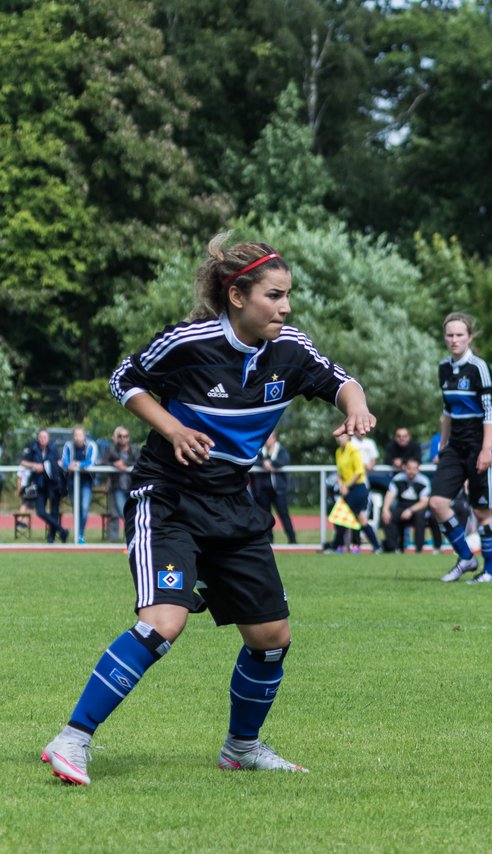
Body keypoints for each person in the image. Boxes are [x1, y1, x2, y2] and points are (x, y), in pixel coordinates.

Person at [41, 232, 374, 786]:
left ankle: (241, 748)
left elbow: (341, 381)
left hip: (232, 504)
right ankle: (71, 740)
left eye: (288, 295)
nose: (285, 306)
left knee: (271, 639)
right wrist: (171, 427)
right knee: (162, 624)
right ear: (238, 296)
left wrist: (357, 406)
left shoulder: (289, 348)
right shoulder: (189, 342)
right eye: (274, 295)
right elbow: (124, 379)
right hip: (168, 498)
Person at [431, 312, 492, 583]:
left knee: (482, 511)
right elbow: (446, 411)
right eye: (449, 335)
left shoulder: (479, 368)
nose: (454, 340)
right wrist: (442, 444)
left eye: (459, 335)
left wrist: (486, 449)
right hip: (455, 447)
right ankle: (466, 557)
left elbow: (489, 412)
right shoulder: (443, 368)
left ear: (469, 337)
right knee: (437, 503)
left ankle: (490, 572)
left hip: (478, 445)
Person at [21, 429, 69, 543]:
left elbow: (59, 463)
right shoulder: (33, 449)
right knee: (40, 511)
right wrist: (35, 465)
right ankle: (62, 530)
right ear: (38, 438)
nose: (42, 439)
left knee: (54, 511)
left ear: (48, 438)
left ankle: (51, 537)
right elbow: (23, 462)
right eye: (40, 437)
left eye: (45, 437)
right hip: (40, 485)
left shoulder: (54, 449)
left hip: (53, 485)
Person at [252, 432, 297, 545]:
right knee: (265, 517)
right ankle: (269, 541)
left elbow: (285, 460)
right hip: (263, 490)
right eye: (266, 438)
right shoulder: (260, 451)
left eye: (270, 437)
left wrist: (271, 463)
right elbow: (253, 461)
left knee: (283, 514)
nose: (267, 440)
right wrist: (263, 463)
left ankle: (292, 540)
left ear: (274, 438)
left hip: (278, 490)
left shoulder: (281, 450)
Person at [381, 457, 432, 553]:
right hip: (402, 505)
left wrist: (410, 510)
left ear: (418, 469)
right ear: (404, 468)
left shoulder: (423, 481)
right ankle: (393, 548)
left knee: (420, 516)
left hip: (416, 507)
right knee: (389, 515)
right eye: (409, 468)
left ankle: (419, 549)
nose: (411, 471)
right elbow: (390, 494)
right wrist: (385, 509)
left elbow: (424, 502)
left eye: (414, 469)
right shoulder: (398, 479)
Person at [61, 425, 98, 544]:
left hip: (86, 481)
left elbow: (90, 462)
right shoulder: (68, 445)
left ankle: (81, 534)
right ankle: (78, 533)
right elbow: (65, 461)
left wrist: (77, 464)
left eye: (80, 435)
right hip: (72, 481)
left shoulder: (91, 445)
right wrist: (69, 465)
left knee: (84, 507)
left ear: (84, 436)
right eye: (75, 435)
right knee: (76, 508)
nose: (77, 438)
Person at [104, 426, 140, 543]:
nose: (123, 439)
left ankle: (132, 537)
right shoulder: (112, 449)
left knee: (132, 513)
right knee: (120, 511)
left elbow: (139, 461)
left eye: (125, 436)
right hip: (117, 486)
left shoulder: (134, 449)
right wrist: (115, 464)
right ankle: (114, 538)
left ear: (129, 438)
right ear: (117, 438)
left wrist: (123, 464)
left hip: (132, 487)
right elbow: (103, 461)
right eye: (120, 436)